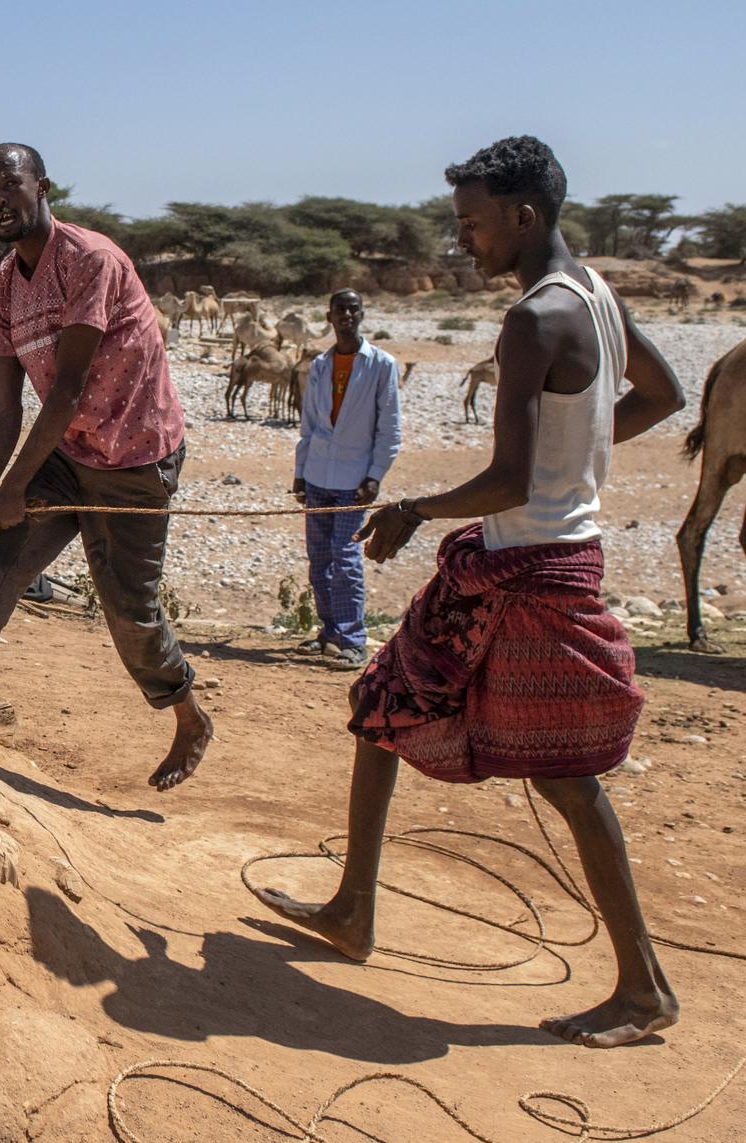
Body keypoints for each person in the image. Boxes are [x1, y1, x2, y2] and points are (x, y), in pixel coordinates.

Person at [251, 136, 686, 1048]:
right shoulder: (596, 295)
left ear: (523, 218)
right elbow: (665, 392)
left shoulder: (533, 319)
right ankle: (351, 910)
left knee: (570, 780)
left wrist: (411, 506)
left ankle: (644, 989)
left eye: (474, 225)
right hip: (537, 558)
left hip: (531, 568)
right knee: (381, 704)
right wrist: (587, 458)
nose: (465, 243)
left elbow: (515, 481)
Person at [0, 143, 212, 792]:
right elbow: (4, 408)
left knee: (128, 609)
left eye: (8, 185)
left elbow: (64, 389)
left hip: (135, 455)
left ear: (43, 187)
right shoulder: (5, 285)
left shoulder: (90, 260)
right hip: (65, 452)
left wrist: (11, 490)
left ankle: (188, 714)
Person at [290, 289, 402, 669]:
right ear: (329, 316)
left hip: (354, 480)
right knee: (319, 558)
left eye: (354, 309)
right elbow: (308, 426)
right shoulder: (320, 365)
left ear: (362, 314)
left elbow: (389, 429)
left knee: (346, 557)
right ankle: (329, 632)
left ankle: (353, 639)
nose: (347, 315)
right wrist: (300, 473)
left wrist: (375, 476)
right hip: (318, 474)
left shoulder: (381, 365)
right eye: (341, 309)